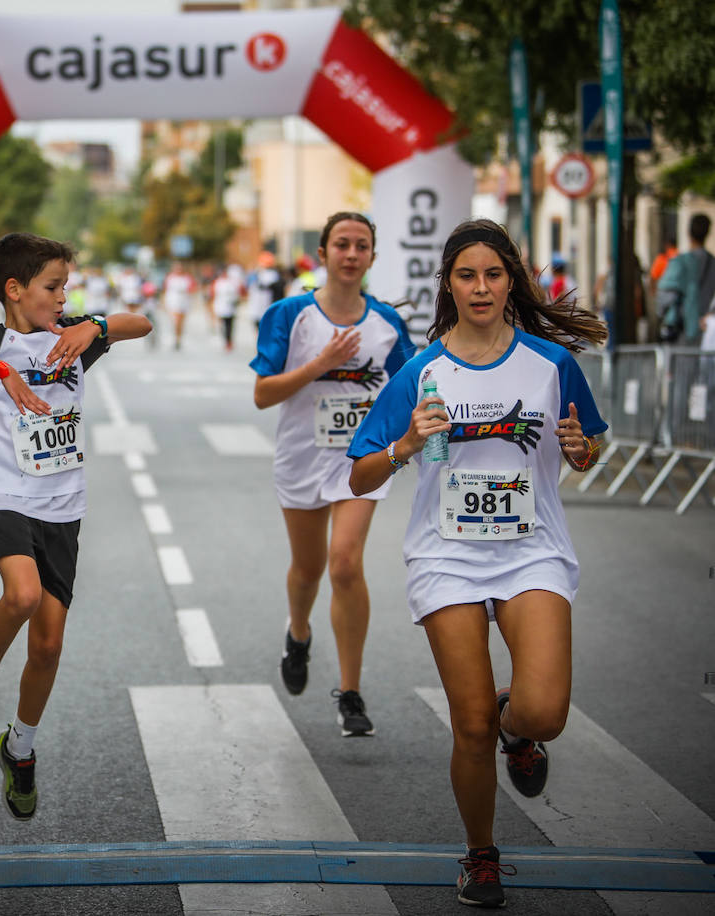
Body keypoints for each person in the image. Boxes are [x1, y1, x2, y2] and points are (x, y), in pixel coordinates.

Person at [346, 218, 607, 909]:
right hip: (447, 556)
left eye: (494, 274)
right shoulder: (421, 372)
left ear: (511, 280)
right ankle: (482, 854)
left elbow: (587, 448)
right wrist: (403, 444)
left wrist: (582, 451)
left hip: (532, 553)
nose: (482, 287)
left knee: (544, 709)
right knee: (467, 726)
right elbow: (359, 476)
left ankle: (517, 728)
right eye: (468, 275)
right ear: (449, 284)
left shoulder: (552, 364)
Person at [0, 232, 151, 820]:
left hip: (62, 502)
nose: (61, 298)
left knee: (49, 644)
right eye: (53, 288)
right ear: (14, 290)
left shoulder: (72, 336)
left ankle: (19, 747)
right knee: (21, 594)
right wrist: (2, 369)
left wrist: (95, 327)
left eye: (66, 289)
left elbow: (143, 323)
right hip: (4, 492)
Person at [250, 212, 415, 737]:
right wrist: (319, 365)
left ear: (371, 257)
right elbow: (263, 394)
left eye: (361, 245)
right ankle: (298, 633)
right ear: (322, 254)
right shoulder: (289, 315)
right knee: (309, 567)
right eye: (341, 244)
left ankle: (350, 692)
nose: (350, 253)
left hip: (358, 461)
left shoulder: (387, 322)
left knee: (345, 563)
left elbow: (410, 387)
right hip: (301, 455)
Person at [657, 213, 715, 345]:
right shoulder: (712, 264)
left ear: (688, 233)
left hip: (681, 331)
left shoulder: (680, 262)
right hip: (705, 332)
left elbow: (664, 298)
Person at [162, 262, 194, 350]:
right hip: (173, 301)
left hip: (184, 301)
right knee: (176, 321)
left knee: (181, 322)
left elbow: (192, 288)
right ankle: (176, 338)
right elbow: (165, 290)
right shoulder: (170, 278)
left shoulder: (187, 278)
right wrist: (164, 302)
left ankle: (179, 338)